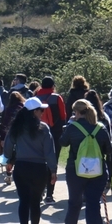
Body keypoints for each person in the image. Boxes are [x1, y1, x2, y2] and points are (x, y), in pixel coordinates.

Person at [4, 96, 57, 224]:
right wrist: (53, 170)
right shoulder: (44, 128)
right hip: (39, 168)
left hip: (21, 167)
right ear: (34, 112)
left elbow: (8, 145)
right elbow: (49, 152)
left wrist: (8, 160)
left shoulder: (17, 127)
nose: (42, 113)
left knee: (23, 200)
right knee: (35, 201)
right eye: (41, 110)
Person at [60, 99, 112, 224]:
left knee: (74, 202)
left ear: (77, 112)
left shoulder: (72, 127)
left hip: (75, 170)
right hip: (97, 171)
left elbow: (63, 142)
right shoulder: (100, 128)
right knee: (93, 203)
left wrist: (69, 126)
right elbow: (109, 150)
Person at [35, 76, 67, 204]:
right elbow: (63, 116)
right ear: (53, 86)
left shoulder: (35, 98)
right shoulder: (57, 98)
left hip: (37, 133)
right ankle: (49, 195)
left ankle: (39, 191)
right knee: (52, 163)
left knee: (39, 162)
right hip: (55, 134)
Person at [85, 90, 112, 192]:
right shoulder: (104, 116)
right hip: (101, 147)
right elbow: (109, 132)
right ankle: (107, 182)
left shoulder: (83, 118)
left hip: (86, 146)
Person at [0, 91, 27, 185]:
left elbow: (5, 123)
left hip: (10, 134)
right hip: (22, 135)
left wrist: (2, 138)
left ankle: (8, 175)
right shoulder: (24, 108)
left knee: (9, 156)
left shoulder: (8, 109)